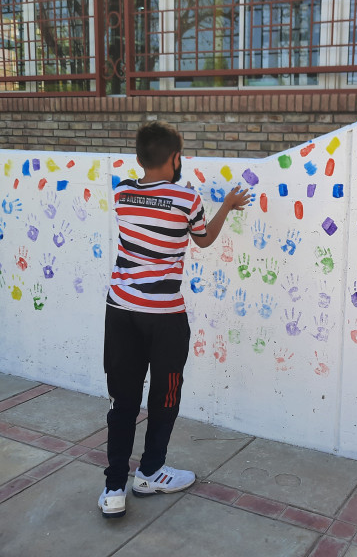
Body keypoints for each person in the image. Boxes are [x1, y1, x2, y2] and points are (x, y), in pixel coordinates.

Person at [98, 121, 250, 518]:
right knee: (164, 397)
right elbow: (203, 240)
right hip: (164, 317)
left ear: (138, 159)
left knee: (122, 399)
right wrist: (228, 206)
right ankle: (149, 473)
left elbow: (141, 195)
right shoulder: (187, 198)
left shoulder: (121, 192)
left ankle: (114, 487)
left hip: (121, 311)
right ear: (176, 158)